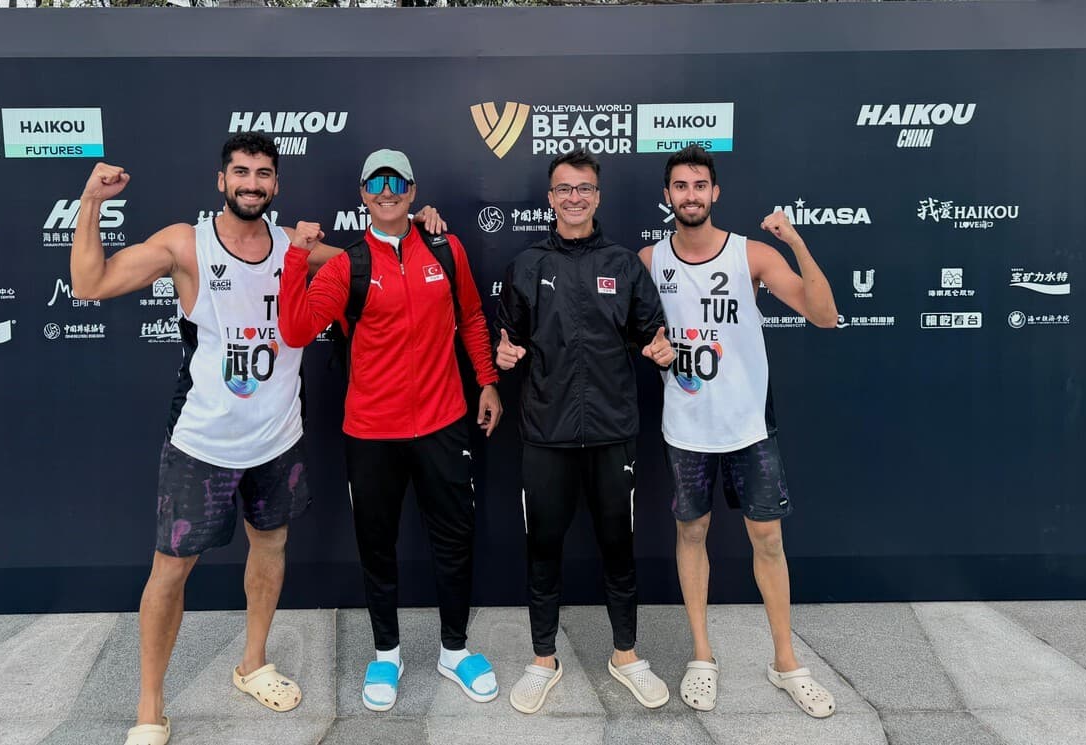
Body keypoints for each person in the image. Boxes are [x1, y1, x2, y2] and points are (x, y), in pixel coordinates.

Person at [69, 133, 444, 745]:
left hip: (277, 438)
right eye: (241, 172)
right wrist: (90, 202)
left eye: (263, 173)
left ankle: (253, 663)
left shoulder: (299, 248)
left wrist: (420, 224)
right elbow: (91, 283)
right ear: (222, 181)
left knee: (270, 548)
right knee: (169, 571)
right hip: (203, 443)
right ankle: (150, 706)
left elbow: (381, 253)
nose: (252, 183)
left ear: (276, 184)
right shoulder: (185, 243)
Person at [278, 149, 503, 712]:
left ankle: (454, 650)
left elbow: (472, 317)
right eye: (375, 182)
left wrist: (487, 381)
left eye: (396, 181)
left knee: (454, 542)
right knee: (377, 546)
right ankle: (387, 653)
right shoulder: (346, 265)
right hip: (372, 432)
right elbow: (297, 330)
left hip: (444, 422)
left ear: (412, 190)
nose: (386, 190)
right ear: (362, 194)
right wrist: (296, 256)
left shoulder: (446, 249)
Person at [641, 145, 839, 717]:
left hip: (748, 426)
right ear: (667, 196)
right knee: (691, 535)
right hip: (686, 428)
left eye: (700, 185)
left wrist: (796, 243)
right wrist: (649, 346)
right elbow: (627, 327)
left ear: (715, 193)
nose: (691, 195)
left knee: (768, 540)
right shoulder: (650, 260)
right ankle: (702, 656)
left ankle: (786, 662)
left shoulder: (751, 254)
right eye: (681, 186)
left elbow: (824, 316)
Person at [495, 147, 676, 714]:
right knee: (542, 549)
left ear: (598, 196)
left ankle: (626, 655)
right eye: (564, 189)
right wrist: (503, 355)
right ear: (550, 198)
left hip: (611, 432)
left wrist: (662, 349)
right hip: (545, 434)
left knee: (618, 548)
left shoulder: (623, 265)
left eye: (584, 189)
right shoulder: (526, 265)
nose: (574, 198)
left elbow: (653, 332)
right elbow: (507, 338)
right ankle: (543, 659)